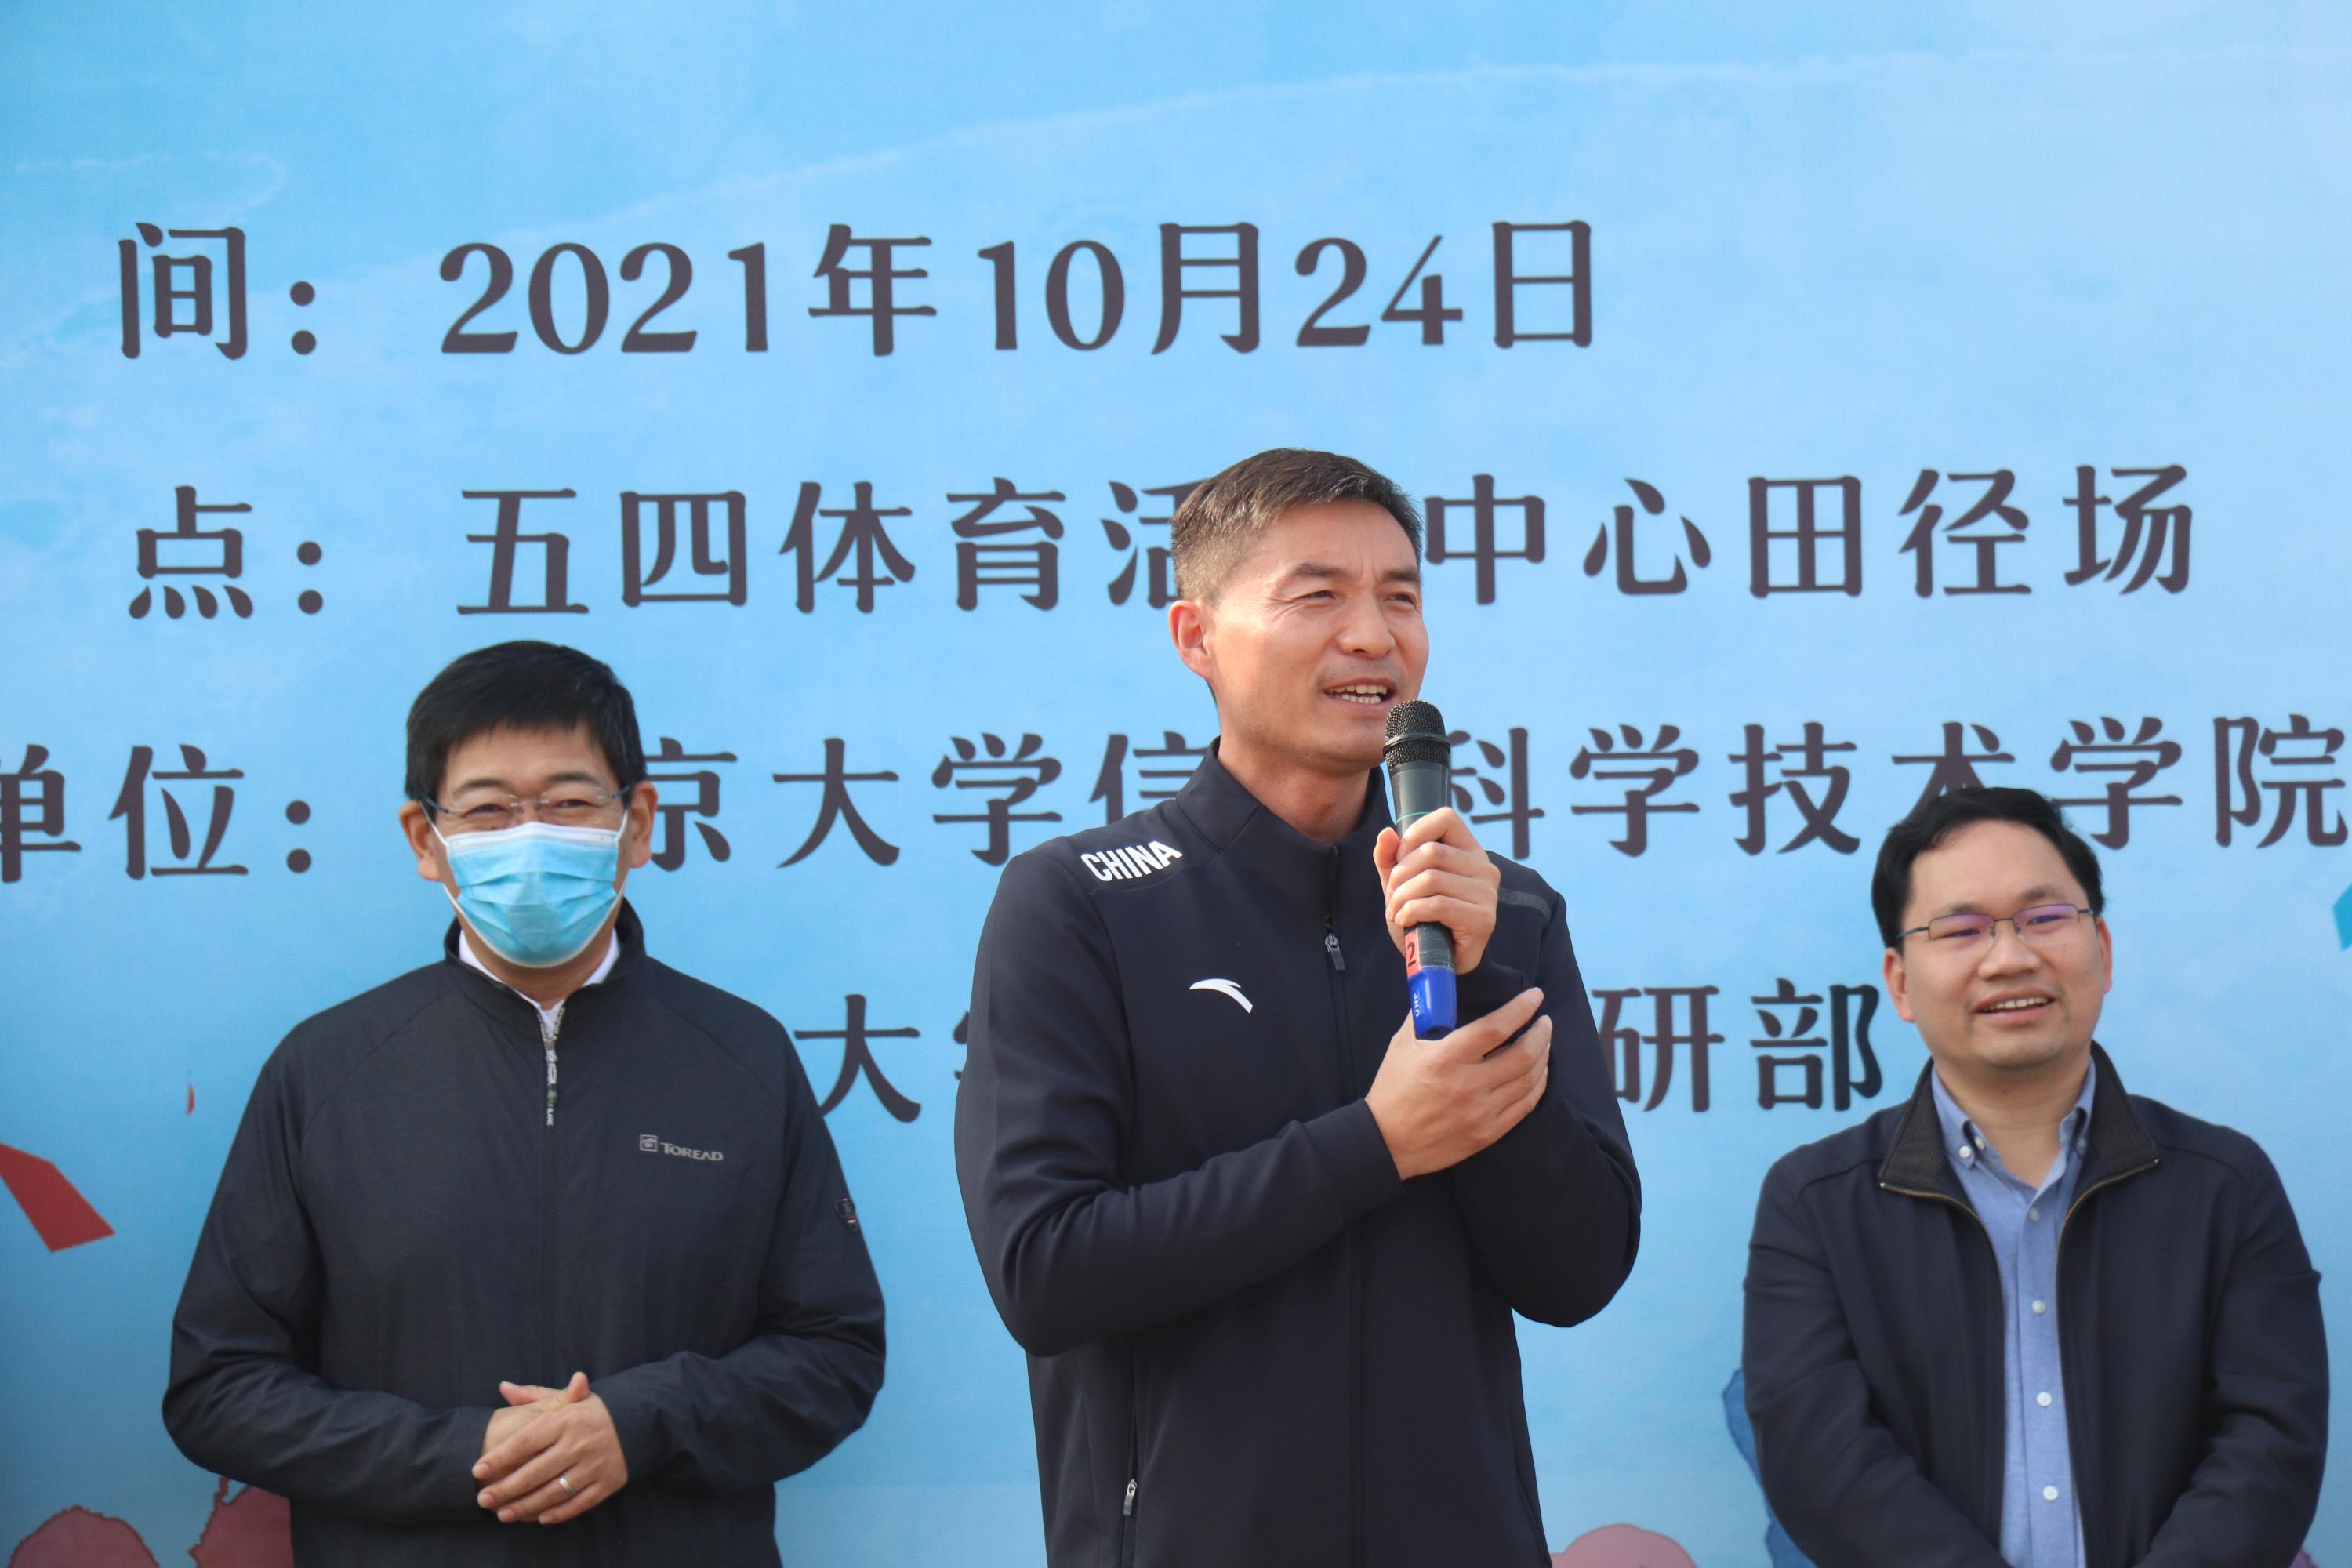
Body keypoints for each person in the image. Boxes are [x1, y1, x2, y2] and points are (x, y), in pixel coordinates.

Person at [954, 448, 1641, 1566]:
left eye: (1401, 597)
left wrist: (1472, 978)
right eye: (1318, 595)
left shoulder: (1501, 913)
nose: (1374, 636)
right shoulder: (1081, 904)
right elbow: (1047, 1268)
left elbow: (1581, 1269)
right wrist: (1375, 1144)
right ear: (1197, 638)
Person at [162, 641, 885, 1566]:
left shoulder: (743, 1057)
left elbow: (834, 1351)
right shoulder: (326, 1069)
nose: (531, 835)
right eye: (490, 809)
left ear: (637, 824)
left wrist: (640, 1422)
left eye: (570, 803)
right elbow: (219, 1385)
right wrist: (466, 1453)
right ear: (426, 839)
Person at [1742, 786, 2328, 1567]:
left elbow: (2271, 1442)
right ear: (1901, 981)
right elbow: (1821, 1463)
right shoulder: (1815, 1203)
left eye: (2045, 917)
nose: (2011, 956)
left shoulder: (2226, 1186)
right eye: (1961, 929)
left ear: (2103, 950)